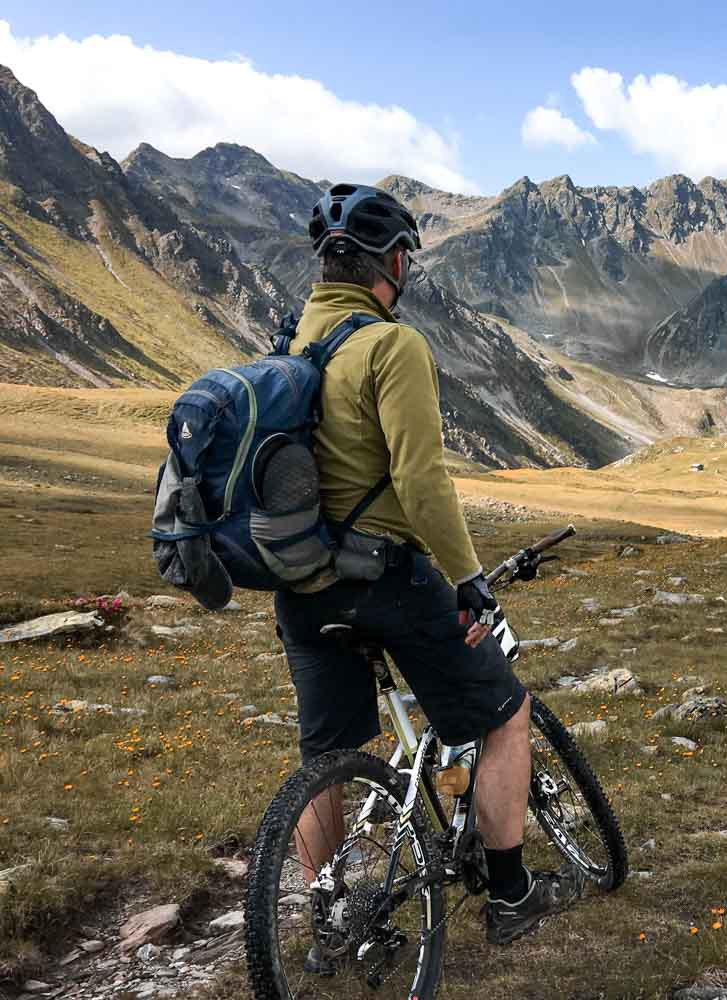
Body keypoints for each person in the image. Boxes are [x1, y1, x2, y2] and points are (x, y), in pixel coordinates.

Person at [275, 183, 577, 964]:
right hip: (385, 580)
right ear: (393, 263)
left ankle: (332, 924)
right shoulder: (390, 345)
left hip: (301, 588)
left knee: (324, 763)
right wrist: (470, 577)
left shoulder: (287, 347)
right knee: (505, 716)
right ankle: (511, 895)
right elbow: (420, 481)